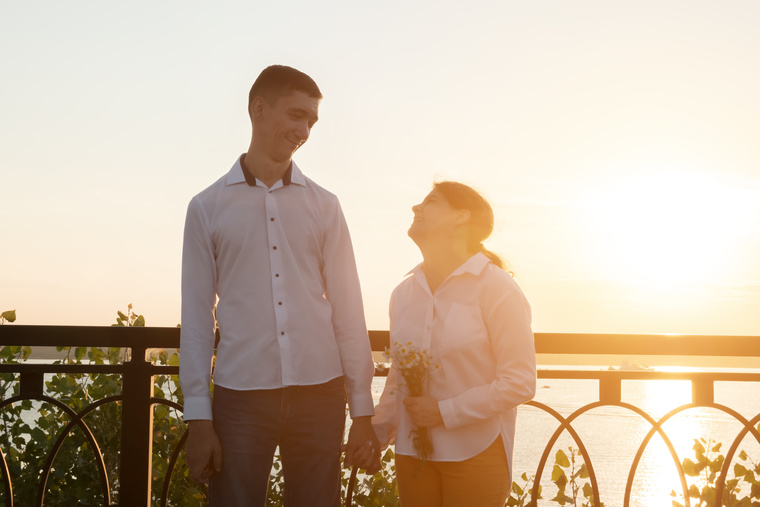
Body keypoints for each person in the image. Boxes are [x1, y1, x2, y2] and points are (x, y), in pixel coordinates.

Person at [179, 64, 380, 507]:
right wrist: (198, 418)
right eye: (295, 115)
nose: (304, 129)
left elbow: (349, 309)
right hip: (241, 395)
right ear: (258, 109)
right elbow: (195, 318)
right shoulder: (206, 208)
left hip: (321, 392)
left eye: (311, 120)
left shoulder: (325, 206)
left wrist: (362, 409)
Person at [372, 181, 537, 507]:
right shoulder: (402, 294)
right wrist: (376, 432)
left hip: (476, 450)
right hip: (412, 454)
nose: (415, 208)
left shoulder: (496, 287)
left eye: (430, 202)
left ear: (461, 217)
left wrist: (445, 412)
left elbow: (520, 382)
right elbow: (398, 378)